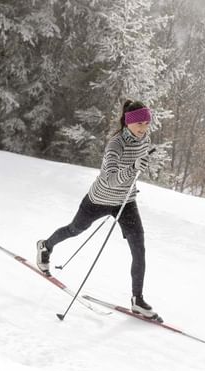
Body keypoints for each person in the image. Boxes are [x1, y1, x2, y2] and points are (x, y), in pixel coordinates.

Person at [36, 100, 157, 318]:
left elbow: (136, 168)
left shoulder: (145, 139)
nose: (143, 128)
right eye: (139, 123)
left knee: (139, 247)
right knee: (74, 230)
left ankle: (137, 299)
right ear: (128, 122)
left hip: (126, 201)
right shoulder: (115, 145)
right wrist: (133, 168)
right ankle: (45, 246)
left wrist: (141, 165)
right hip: (100, 198)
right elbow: (110, 180)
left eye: (147, 123)